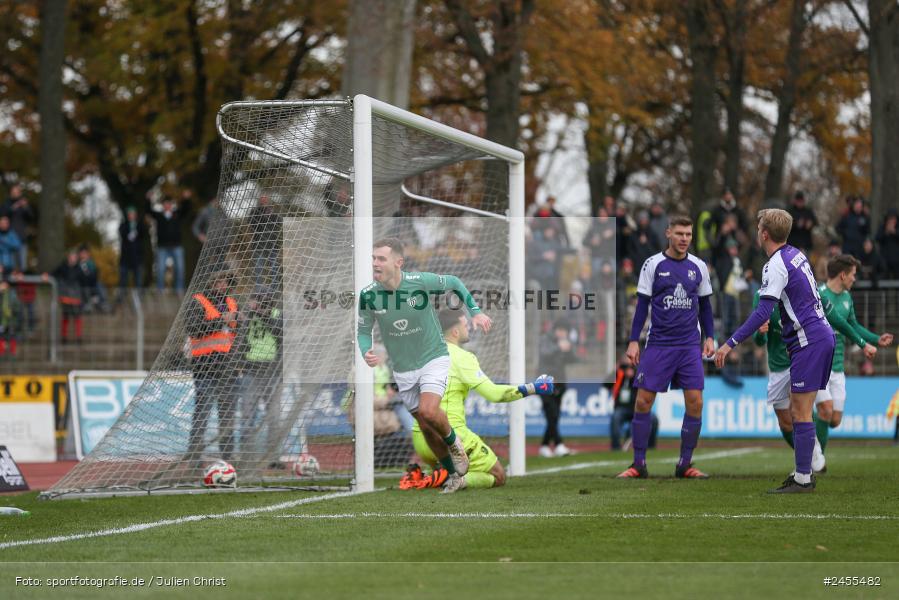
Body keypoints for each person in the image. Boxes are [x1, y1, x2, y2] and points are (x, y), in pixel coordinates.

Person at [357, 237, 493, 493]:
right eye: (373, 258)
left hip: (433, 357)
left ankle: (455, 444)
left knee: (429, 411)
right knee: (425, 427)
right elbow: (363, 331)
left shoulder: (418, 282)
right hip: (403, 369)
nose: (375, 263)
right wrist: (366, 350)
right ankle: (453, 475)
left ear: (398, 262)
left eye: (381, 258)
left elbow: (454, 282)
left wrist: (475, 311)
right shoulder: (368, 295)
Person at [715, 209, 835, 493]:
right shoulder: (797, 255)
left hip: (808, 340)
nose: (757, 232)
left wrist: (730, 343)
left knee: (800, 411)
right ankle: (803, 471)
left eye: (759, 228)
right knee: (798, 409)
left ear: (765, 234)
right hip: (819, 335)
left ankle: (804, 478)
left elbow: (762, 313)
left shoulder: (775, 264)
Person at [402, 306, 554, 491]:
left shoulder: (422, 354)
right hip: (449, 437)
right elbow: (494, 394)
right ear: (455, 331)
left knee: (452, 470)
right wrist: (533, 388)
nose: (469, 327)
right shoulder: (462, 357)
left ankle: (435, 475)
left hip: (421, 438)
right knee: (498, 475)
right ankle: (451, 479)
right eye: (465, 324)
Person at [618, 215, 716, 480]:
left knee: (695, 402)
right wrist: (633, 340)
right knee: (643, 401)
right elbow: (642, 306)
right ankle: (638, 464)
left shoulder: (699, 266)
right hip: (659, 344)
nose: (684, 239)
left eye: (688, 234)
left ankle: (685, 464)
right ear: (668, 234)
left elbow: (706, 306)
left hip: (689, 345)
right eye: (680, 233)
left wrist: (710, 337)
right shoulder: (652, 264)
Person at [814, 255, 893, 458]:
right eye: (853, 274)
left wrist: (876, 339)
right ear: (843, 275)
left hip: (838, 366)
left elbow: (853, 326)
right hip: (819, 365)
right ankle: (816, 459)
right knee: (826, 411)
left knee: (835, 420)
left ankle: (808, 419)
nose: (855, 279)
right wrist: (864, 345)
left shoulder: (847, 298)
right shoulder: (819, 296)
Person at [751, 289, 825, 472]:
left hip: (799, 359)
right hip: (777, 367)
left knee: (799, 408)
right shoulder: (761, 297)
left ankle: (807, 460)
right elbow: (758, 341)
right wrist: (760, 333)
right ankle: (810, 451)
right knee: (785, 421)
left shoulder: (798, 291)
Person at [186, 272, 239, 463]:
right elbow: (193, 328)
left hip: (228, 367)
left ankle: (227, 456)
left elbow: (238, 333)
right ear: (211, 282)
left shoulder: (232, 303)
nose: (222, 285)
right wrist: (221, 320)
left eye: (225, 281)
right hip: (204, 366)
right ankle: (194, 457)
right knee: (202, 412)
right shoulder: (198, 301)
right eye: (218, 281)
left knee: (227, 414)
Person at [239, 293, 282, 458]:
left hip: (272, 372)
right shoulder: (247, 315)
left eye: (260, 302)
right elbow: (240, 338)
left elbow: (278, 332)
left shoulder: (277, 314)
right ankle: (246, 455)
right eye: (254, 301)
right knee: (247, 415)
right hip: (251, 371)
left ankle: (273, 457)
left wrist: (263, 314)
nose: (256, 304)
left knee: (274, 416)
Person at [538, 319, 575, 457]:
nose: (563, 333)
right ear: (555, 330)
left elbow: (572, 359)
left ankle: (544, 445)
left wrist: (569, 349)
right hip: (545, 383)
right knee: (552, 414)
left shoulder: (564, 342)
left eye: (565, 331)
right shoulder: (545, 339)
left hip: (560, 383)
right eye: (561, 330)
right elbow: (545, 353)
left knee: (554, 416)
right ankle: (559, 444)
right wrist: (559, 347)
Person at [606, 358, 658, 451]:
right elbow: (606, 384)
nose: (628, 368)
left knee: (654, 419)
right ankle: (616, 447)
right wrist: (615, 370)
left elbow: (647, 383)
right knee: (615, 417)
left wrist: (634, 374)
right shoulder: (619, 375)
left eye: (631, 365)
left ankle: (651, 447)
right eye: (626, 365)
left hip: (638, 408)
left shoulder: (639, 374)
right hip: (622, 408)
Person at [147, 195, 187, 293]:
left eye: (169, 204)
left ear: (171, 205)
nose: (167, 206)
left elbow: (186, 210)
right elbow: (148, 211)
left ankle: (179, 290)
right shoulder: (159, 215)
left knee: (180, 269)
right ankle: (160, 291)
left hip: (176, 246)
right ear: (163, 205)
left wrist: (186, 199)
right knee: (160, 270)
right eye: (165, 204)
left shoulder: (176, 214)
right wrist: (148, 200)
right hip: (162, 247)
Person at [49, 249, 85, 345]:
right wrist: (47, 276)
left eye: (74, 257)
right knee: (66, 317)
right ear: (68, 257)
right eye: (71, 257)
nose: (73, 259)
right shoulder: (63, 267)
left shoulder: (79, 269)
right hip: (66, 297)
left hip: (76, 297)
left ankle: (79, 338)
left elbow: (85, 280)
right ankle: (64, 337)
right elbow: (53, 274)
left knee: (77, 317)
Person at [118, 206, 148, 295]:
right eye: (130, 214)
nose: (131, 215)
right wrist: (129, 234)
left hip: (138, 257)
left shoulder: (140, 225)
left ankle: (138, 299)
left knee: (138, 281)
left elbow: (144, 233)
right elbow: (122, 233)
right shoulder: (123, 225)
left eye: (133, 214)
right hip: (125, 258)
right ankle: (121, 298)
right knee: (123, 281)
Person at [4, 185, 34, 269]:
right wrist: (13, 208)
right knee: (10, 265)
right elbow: (3, 216)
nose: (15, 194)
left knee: (22, 265)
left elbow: (31, 217)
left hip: (22, 238)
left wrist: (26, 207)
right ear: (10, 193)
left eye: (17, 192)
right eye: (14, 192)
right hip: (9, 239)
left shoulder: (24, 204)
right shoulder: (7, 204)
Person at [77, 245, 109, 313]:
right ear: (79, 254)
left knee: (99, 285)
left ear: (88, 254)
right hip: (83, 285)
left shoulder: (91, 264)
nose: (84, 255)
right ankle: (88, 304)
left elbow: (94, 275)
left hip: (92, 284)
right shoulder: (78, 265)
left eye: (85, 253)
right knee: (86, 287)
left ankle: (102, 304)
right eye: (82, 253)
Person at [786, 190, 817, 255]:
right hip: (792, 242)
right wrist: (796, 224)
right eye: (798, 201)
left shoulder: (808, 211)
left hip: (806, 243)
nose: (800, 203)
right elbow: (785, 225)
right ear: (795, 201)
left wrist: (811, 224)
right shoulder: (790, 211)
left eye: (801, 201)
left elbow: (816, 222)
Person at [0, 276, 23, 359]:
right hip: (2, 320)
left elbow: (17, 307)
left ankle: (13, 353)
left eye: (3, 284)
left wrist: (12, 312)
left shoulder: (12, 295)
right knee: (1, 336)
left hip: (11, 320)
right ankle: (1, 352)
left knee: (12, 335)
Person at [876, 210, 899, 279]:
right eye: (890, 219)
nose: (892, 221)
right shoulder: (882, 227)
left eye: (893, 219)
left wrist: (894, 232)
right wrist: (886, 232)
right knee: (884, 276)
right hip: (884, 258)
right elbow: (877, 238)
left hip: (897, 259)